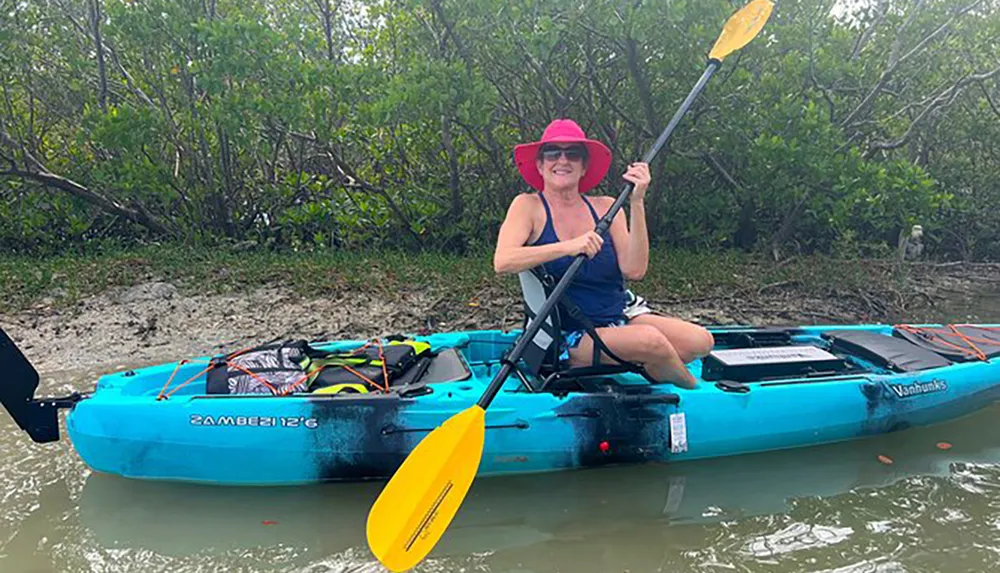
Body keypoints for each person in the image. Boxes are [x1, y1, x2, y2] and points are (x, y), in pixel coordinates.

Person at [493, 119, 713, 388]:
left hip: (618, 317)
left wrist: (637, 201)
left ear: (584, 166)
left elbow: (635, 270)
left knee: (701, 341)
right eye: (553, 153)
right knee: (652, 343)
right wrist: (569, 246)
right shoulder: (527, 206)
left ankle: (654, 370)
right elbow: (503, 261)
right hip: (568, 335)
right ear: (540, 164)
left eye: (572, 154)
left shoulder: (607, 207)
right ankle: (694, 391)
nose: (563, 160)